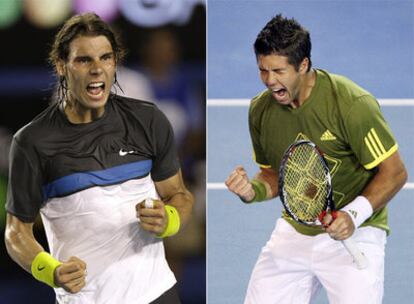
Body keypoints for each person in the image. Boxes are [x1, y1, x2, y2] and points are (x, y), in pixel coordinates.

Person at [4, 13, 194, 304]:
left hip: (157, 294)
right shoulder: (32, 142)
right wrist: (50, 270)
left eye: (105, 58)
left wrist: (168, 220)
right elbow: (16, 233)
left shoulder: (149, 120)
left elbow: (179, 196)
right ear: (61, 66)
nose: (97, 69)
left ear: (115, 63)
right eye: (83, 60)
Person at [225, 14, 407, 304]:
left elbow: (395, 172)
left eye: (278, 71)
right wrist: (253, 191)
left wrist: (353, 215)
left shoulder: (351, 104)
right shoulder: (260, 111)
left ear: (304, 65)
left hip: (356, 232)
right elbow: (273, 174)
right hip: (294, 232)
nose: (269, 81)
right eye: (262, 70)